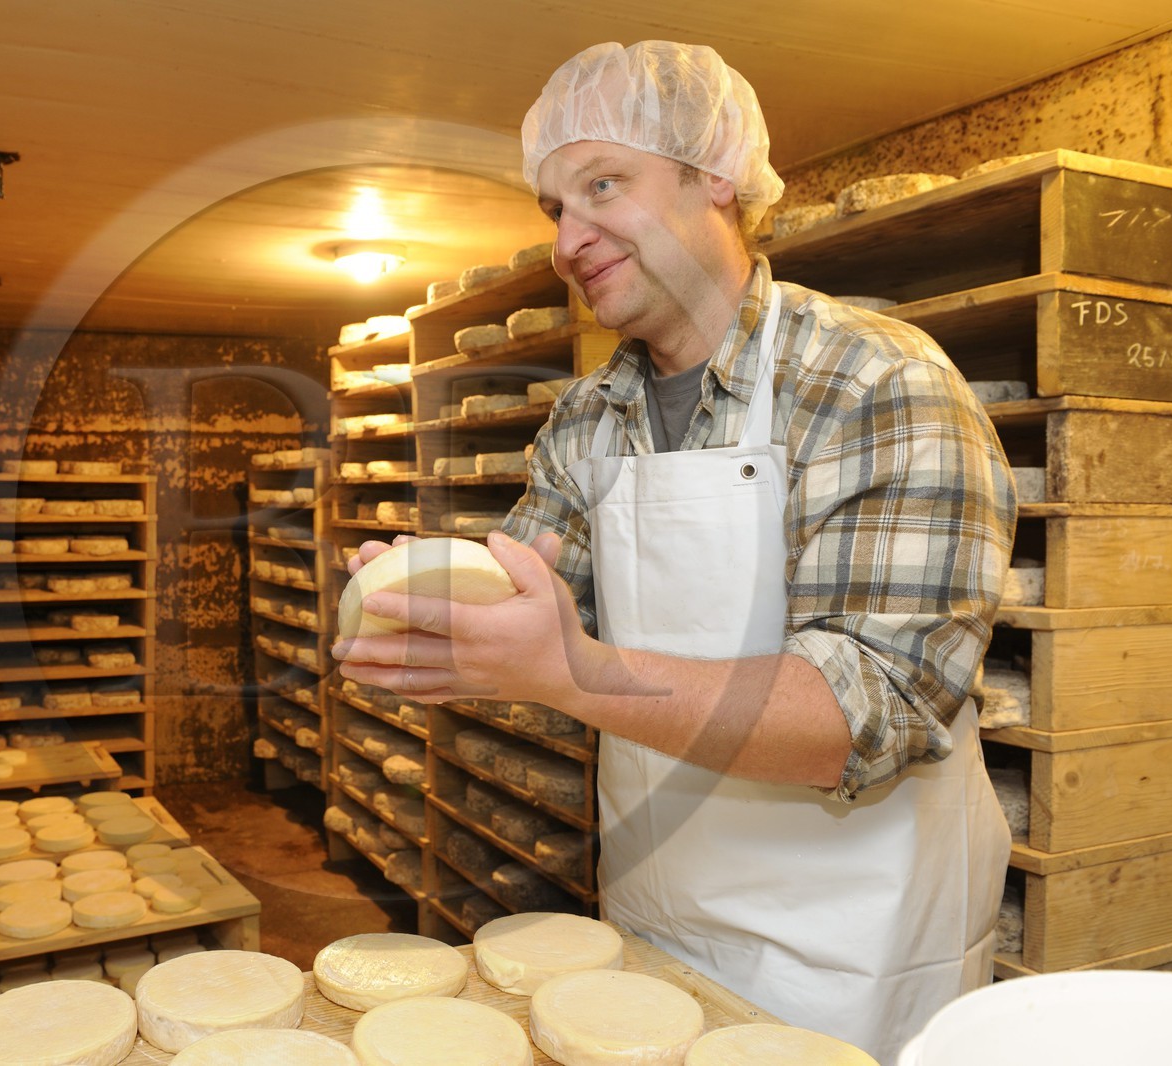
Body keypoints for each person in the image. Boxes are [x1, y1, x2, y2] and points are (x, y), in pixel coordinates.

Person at [333, 41, 1015, 1060]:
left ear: (716, 178)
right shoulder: (589, 415)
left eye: (602, 184)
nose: (568, 237)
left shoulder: (873, 383)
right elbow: (524, 596)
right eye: (554, 208)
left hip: (846, 953)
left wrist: (573, 667)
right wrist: (430, 607)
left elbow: (867, 708)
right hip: (653, 914)